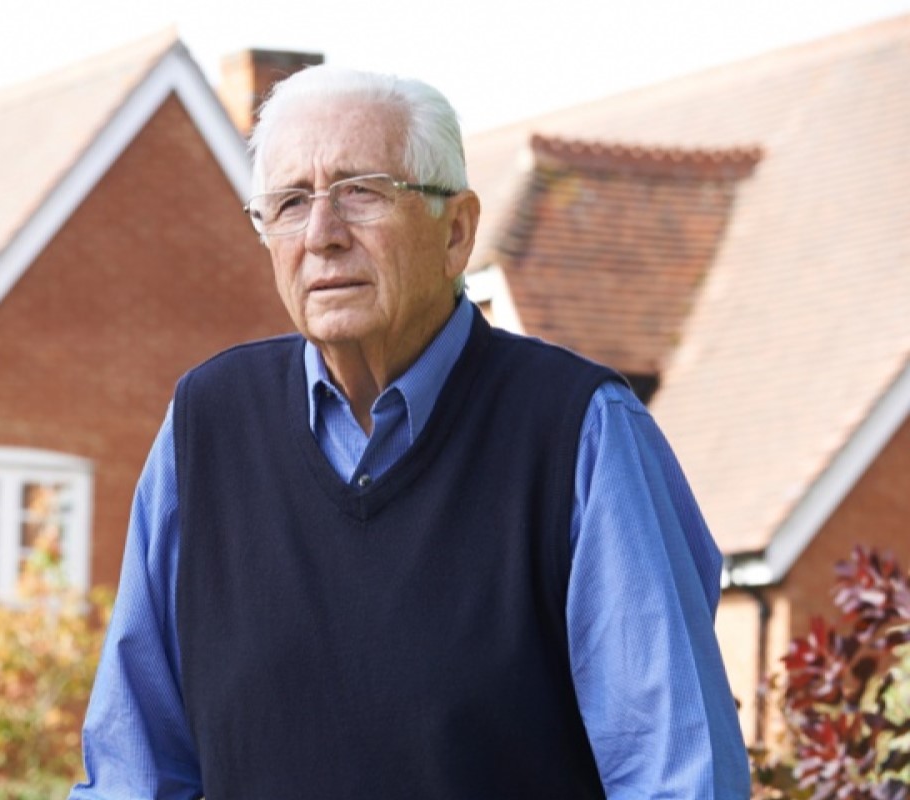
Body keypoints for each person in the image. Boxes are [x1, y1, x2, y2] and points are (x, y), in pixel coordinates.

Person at [70, 66, 749, 799]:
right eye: (291, 203)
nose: (323, 236)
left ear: (455, 231)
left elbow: (680, 780)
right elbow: (134, 774)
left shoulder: (578, 434)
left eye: (361, 192)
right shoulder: (205, 428)